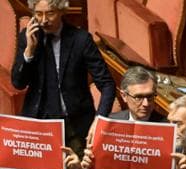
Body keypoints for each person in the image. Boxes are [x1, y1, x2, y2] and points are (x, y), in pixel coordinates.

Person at [12, 0, 115, 155]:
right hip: (39, 123)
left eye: (50, 13)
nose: (43, 20)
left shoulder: (81, 39)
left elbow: (107, 84)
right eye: (38, 14)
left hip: (75, 124)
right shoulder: (27, 37)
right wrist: (29, 52)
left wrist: (99, 120)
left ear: (62, 11)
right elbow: (18, 83)